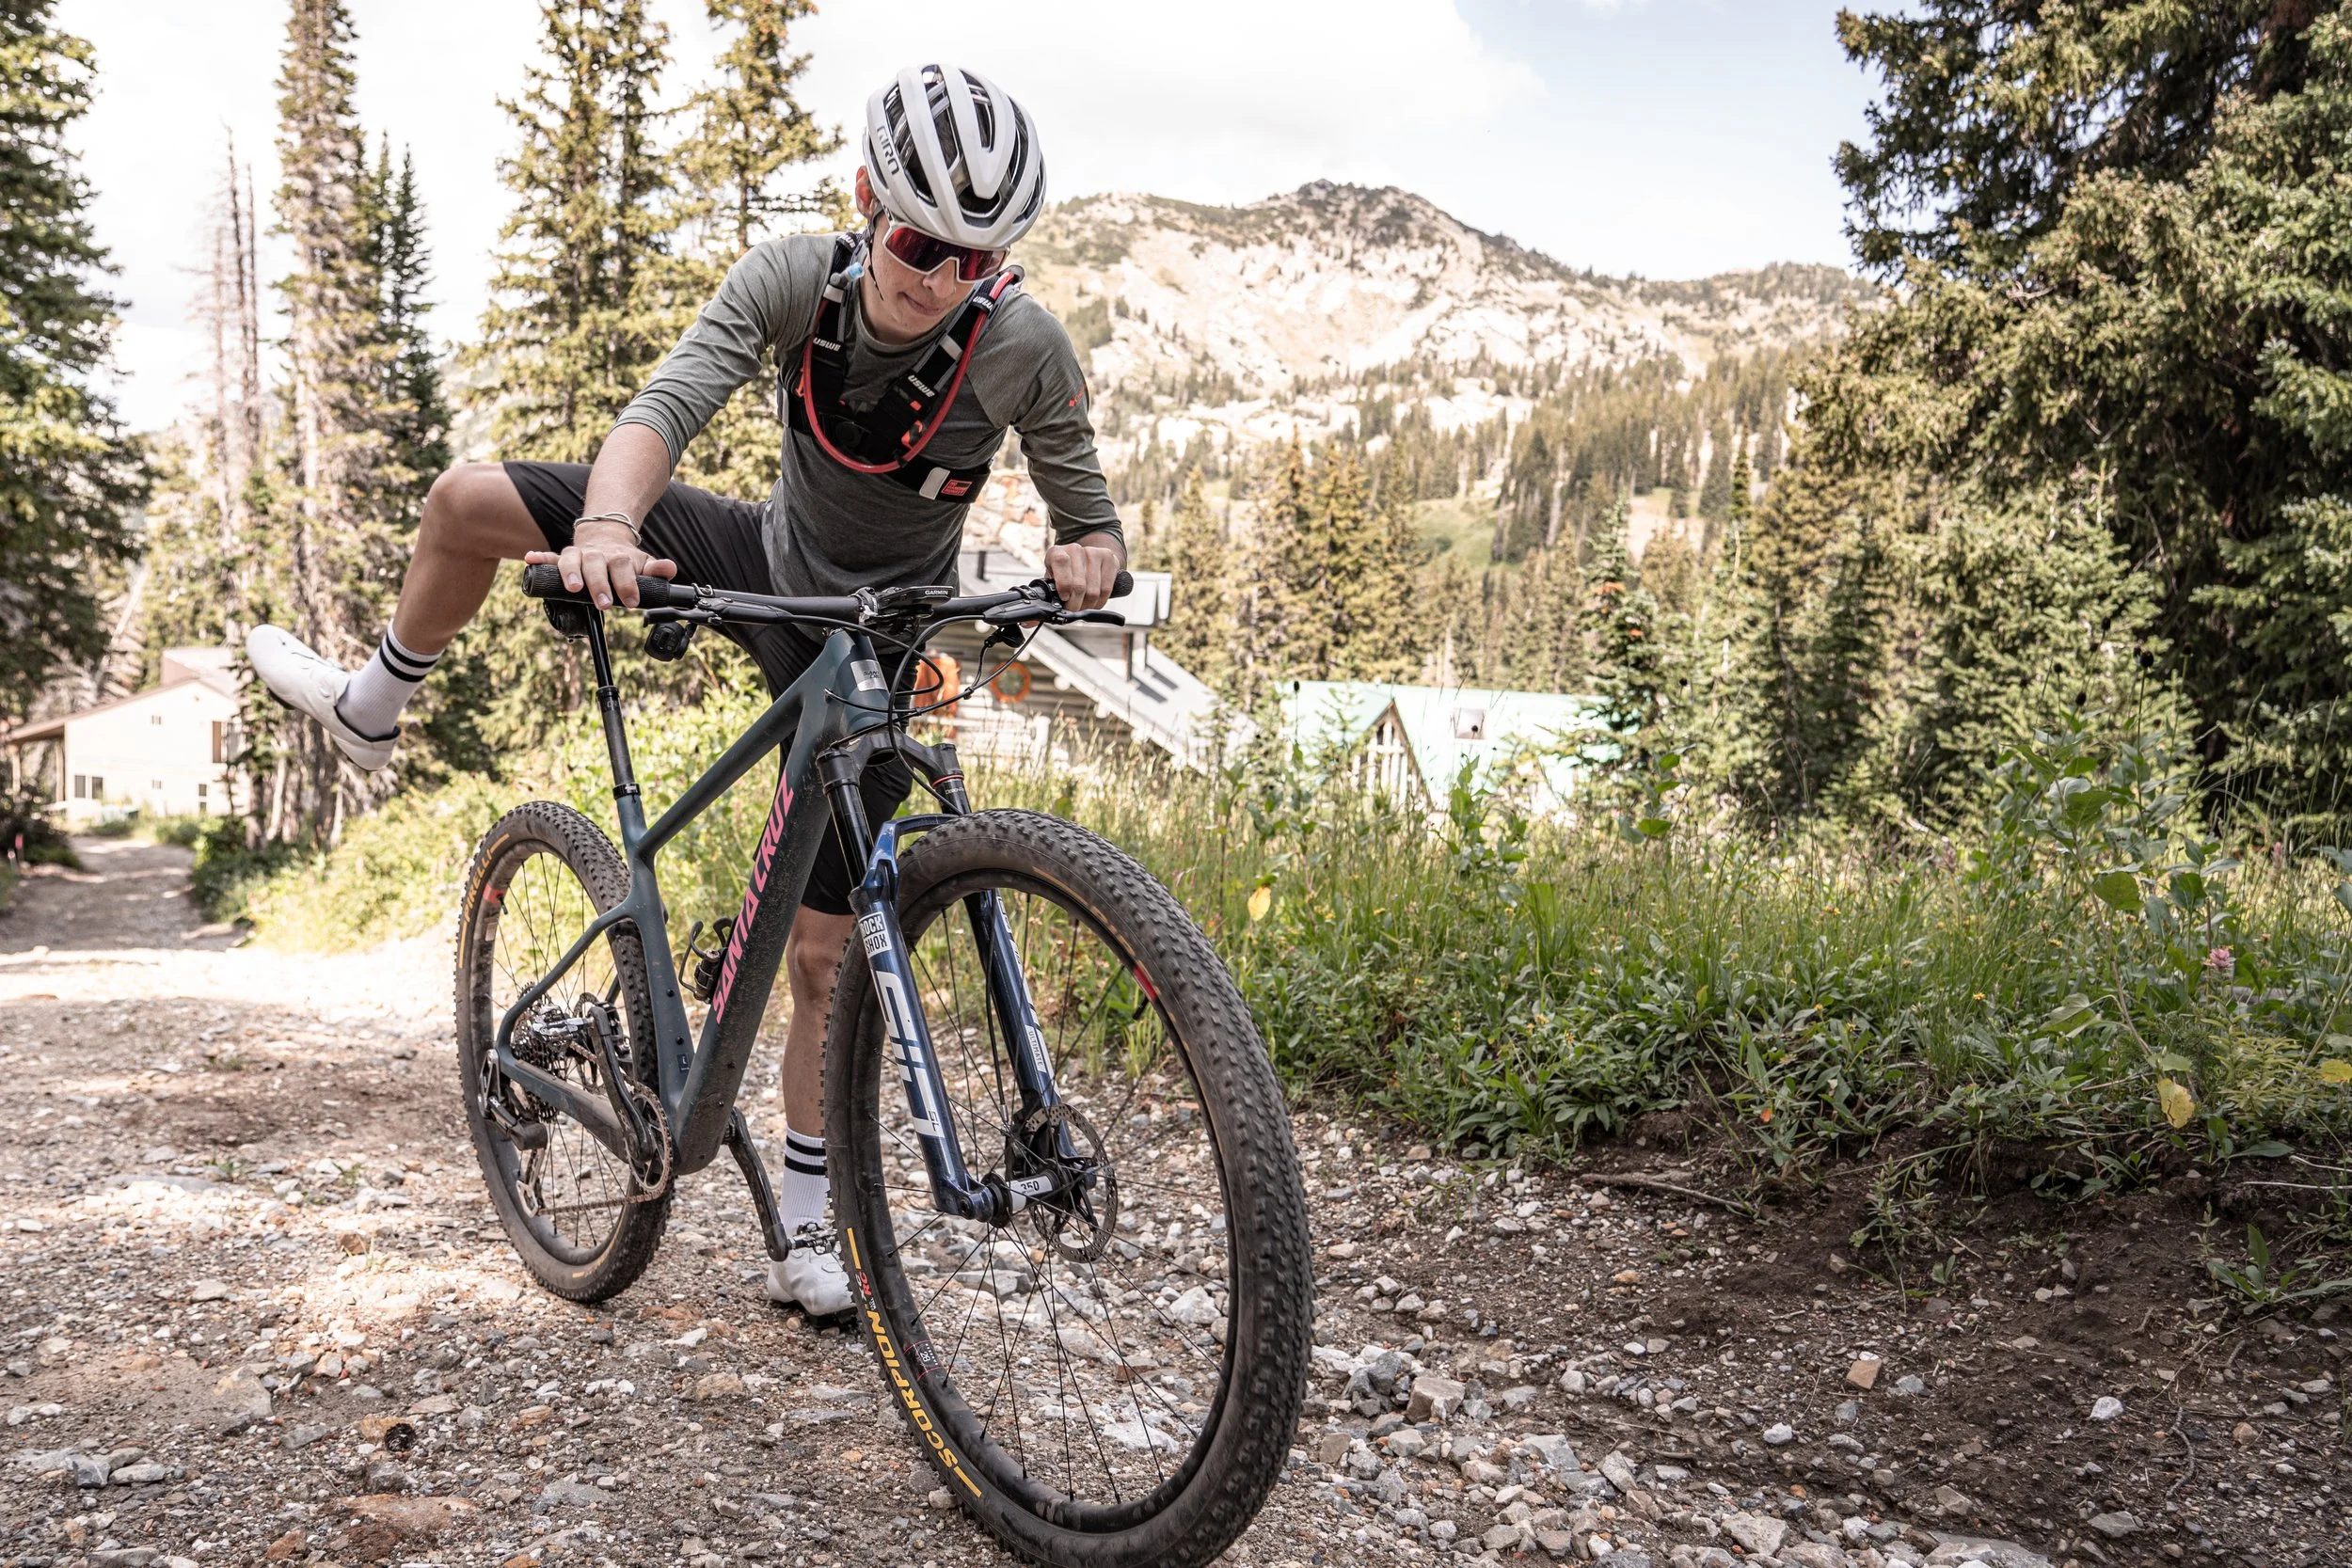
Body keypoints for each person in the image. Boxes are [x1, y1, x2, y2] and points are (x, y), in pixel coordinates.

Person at [246, 63, 1126, 1317]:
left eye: (977, 261)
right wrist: (609, 521)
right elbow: (668, 406)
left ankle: (809, 1223)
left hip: (881, 636)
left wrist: (1092, 560)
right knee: (463, 501)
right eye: (923, 242)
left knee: (825, 952)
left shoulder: (1024, 350)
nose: (941, 278)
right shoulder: (794, 281)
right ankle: (373, 701)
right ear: (870, 199)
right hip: (762, 564)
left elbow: (1092, 526)